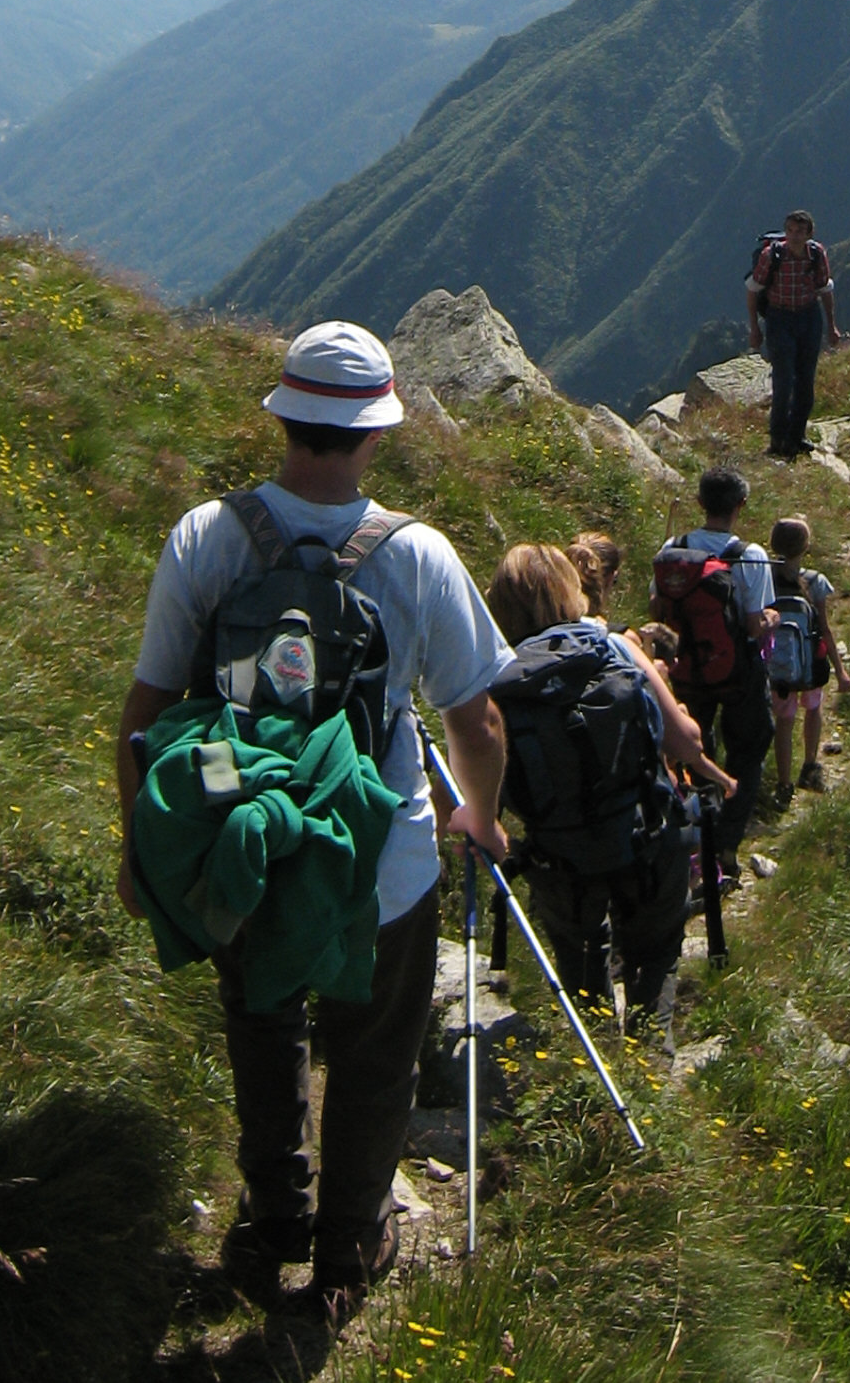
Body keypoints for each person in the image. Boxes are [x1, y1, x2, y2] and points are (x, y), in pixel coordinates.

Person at [115, 320, 511, 1329]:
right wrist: (476, 814)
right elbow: (478, 719)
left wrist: (145, 854)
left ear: (283, 418)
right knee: (375, 1056)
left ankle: (273, 1220)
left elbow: (148, 717)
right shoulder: (417, 555)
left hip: (246, 843)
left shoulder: (207, 537)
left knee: (265, 1026)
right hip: (382, 863)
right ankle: (346, 1251)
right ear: (377, 431)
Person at [479, 543, 727, 1025]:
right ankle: (650, 1049)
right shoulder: (612, 646)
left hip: (559, 855)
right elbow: (687, 740)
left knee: (581, 959)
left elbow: (476, 782)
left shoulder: (493, 678)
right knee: (656, 954)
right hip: (645, 835)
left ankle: (591, 1050)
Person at [651, 470, 782, 958]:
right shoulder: (748, 555)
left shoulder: (674, 549)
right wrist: (773, 617)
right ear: (740, 506)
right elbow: (752, 623)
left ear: (700, 501)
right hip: (737, 672)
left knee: (691, 751)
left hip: (686, 669)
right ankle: (726, 846)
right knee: (748, 746)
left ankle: (691, 842)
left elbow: (657, 606)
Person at [742, 209, 836, 463]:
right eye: (790, 230)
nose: (794, 236)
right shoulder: (771, 256)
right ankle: (778, 439)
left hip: (809, 317)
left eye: (799, 232)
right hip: (779, 319)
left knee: (806, 380)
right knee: (783, 381)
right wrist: (754, 328)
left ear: (809, 234)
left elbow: (825, 289)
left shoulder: (817, 255)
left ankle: (797, 435)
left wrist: (831, 326)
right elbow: (752, 290)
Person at [764, 514, 842, 791]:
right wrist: (841, 671)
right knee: (813, 708)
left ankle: (783, 783)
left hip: (778, 664)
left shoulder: (766, 578)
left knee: (784, 721)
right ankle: (809, 766)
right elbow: (824, 629)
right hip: (810, 662)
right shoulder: (815, 581)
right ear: (806, 547)